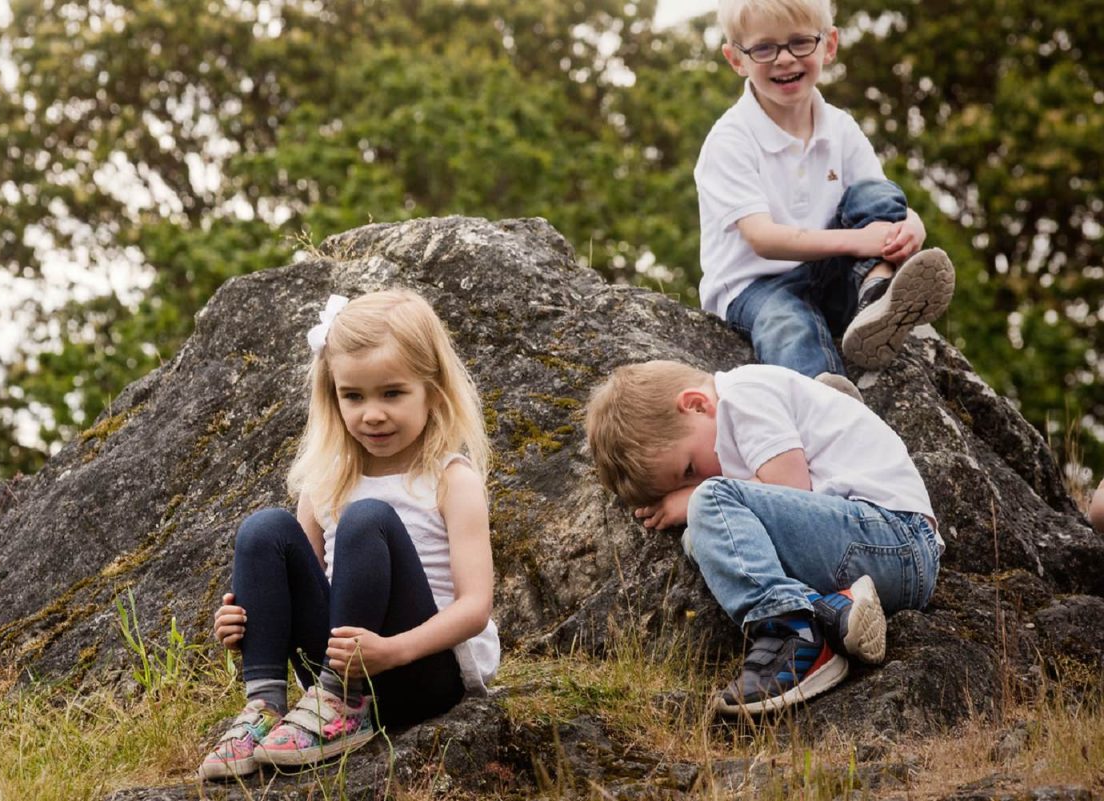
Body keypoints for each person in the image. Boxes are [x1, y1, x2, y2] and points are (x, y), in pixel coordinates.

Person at [198, 289, 498, 780]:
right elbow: (306, 589)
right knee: (264, 530)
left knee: (366, 520)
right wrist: (251, 622)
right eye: (353, 396)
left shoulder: (451, 478)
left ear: (433, 394)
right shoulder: (325, 482)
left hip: (421, 670)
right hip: (340, 663)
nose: (371, 414)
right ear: (332, 395)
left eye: (392, 393)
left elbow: (474, 607)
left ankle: (342, 699)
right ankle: (265, 706)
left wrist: (391, 651)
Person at [584, 360, 943, 715]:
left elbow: (790, 485)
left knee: (711, 504)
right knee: (700, 538)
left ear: (697, 404)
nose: (693, 484)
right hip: (871, 558)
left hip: (895, 538)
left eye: (689, 470)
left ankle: (794, 633)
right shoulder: (725, 423)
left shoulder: (744, 396)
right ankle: (833, 611)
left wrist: (696, 496)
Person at [695, 0, 956, 394]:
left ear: (828, 45)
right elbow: (763, 239)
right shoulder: (730, 140)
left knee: (873, 194)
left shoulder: (841, 127)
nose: (784, 59)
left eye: (800, 42)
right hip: (756, 287)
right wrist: (860, 241)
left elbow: (878, 196)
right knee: (787, 325)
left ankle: (876, 298)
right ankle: (826, 395)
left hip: (834, 274)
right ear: (736, 59)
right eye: (764, 48)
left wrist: (911, 226)